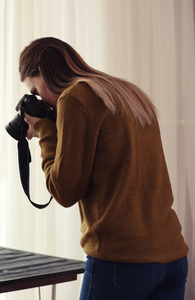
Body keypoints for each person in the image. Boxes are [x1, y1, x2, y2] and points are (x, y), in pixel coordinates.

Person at [18, 37, 189, 300]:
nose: (42, 102)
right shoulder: (126, 92)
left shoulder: (75, 98)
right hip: (172, 258)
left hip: (122, 261)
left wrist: (43, 128)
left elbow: (64, 191)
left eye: (36, 92)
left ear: (41, 70)